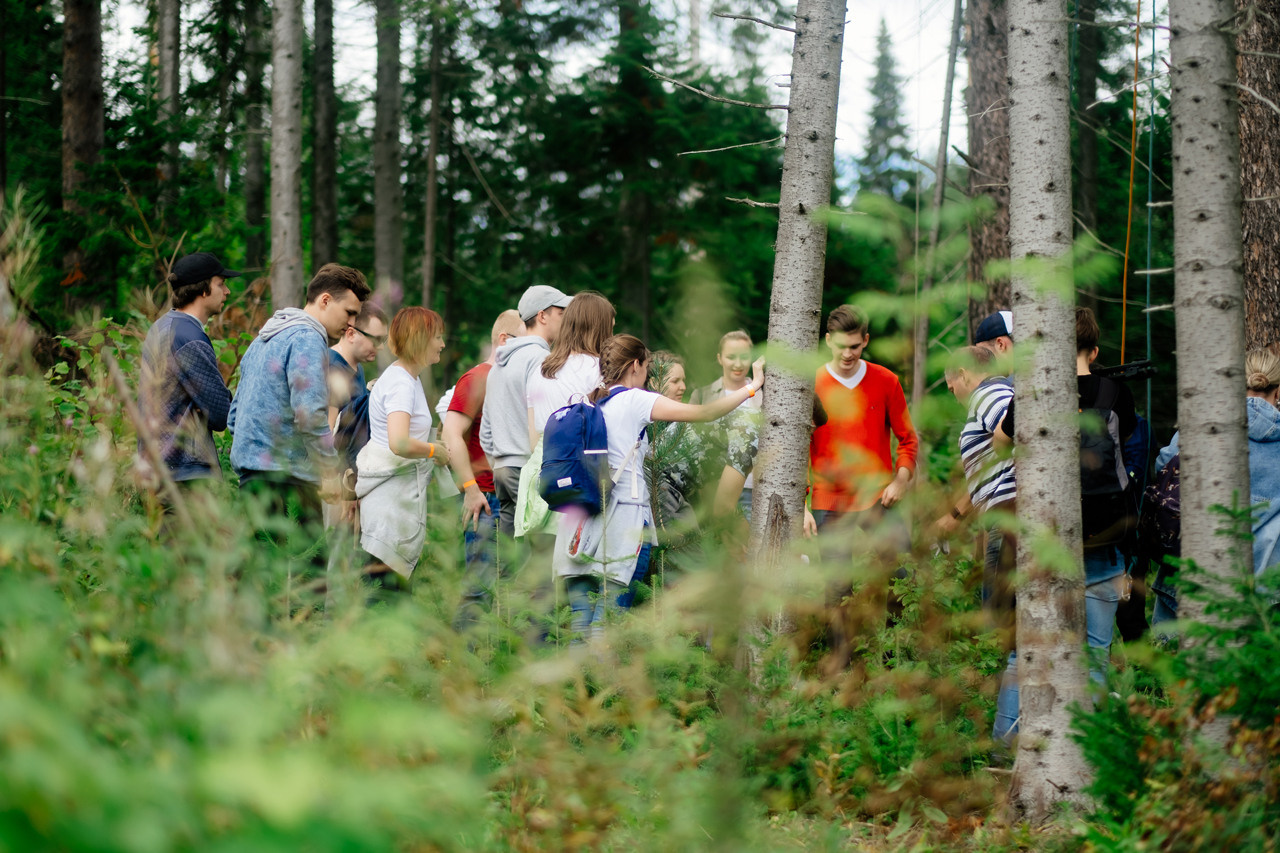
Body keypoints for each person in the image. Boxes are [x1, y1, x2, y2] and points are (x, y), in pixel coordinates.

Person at [555, 334, 765, 640]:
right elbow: (705, 413)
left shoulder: (591, 402)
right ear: (636, 365)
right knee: (607, 624)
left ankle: (574, 688)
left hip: (577, 530)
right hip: (620, 530)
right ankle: (603, 687)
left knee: (580, 626)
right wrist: (752, 387)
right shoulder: (632, 398)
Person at [995, 307, 1139, 688]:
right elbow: (1125, 447)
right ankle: (1089, 741)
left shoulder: (1033, 391)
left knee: (1027, 648)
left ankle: (1004, 741)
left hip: (1045, 533)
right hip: (1105, 533)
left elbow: (999, 444)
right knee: (1095, 650)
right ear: (1093, 352)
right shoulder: (1116, 393)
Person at [228, 264, 371, 582]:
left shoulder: (262, 340)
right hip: (290, 484)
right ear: (324, 300)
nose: (351, 323)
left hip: (252, 480)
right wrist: (329, 472)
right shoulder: (308, 339)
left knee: (255, 585)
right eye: (348, 312)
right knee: (309, 590)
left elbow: (235, 416)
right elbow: (310, 415)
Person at [1150, 347, 1280, 622]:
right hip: (1264, 586)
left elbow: (1165, 467)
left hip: (1194, 574)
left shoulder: (1203, 425)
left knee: (1180, 660)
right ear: (1278, 392)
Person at [935, 345, 1018, 746]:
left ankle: (998, 730)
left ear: (964, 374)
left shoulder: (990, 394)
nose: (953, 392)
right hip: (1000, 514)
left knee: (997, 624)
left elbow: (1014, 422)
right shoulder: (992, 396)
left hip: (1009, 517)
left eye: (951, 385)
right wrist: (956, 514)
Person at [354, 307, 451, 596]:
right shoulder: (400, 384)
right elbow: (399, 442)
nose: (442, 344)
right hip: (389, 508)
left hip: (394, 504)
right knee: (386, 600)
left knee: (389, 598)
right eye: (437, 337)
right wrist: (436, 450)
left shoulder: (407, 379)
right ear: (420, 340)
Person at [804, 305, 918, 537]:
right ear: (828, 340)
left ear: (865, 340)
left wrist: (900, 481)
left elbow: (908, 439)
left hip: (879, 497)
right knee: (837, 575)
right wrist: (801, 506)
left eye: (854, 346)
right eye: (840, 346)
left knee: (902, 570)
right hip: (829, 501)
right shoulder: (810, 384)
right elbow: (800, 448)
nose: (847, 354)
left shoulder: (887, 381)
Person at [447, 309, 526, 630]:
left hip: (510, 500)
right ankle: (457, 668)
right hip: (485, 501)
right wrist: (469, 489)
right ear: (504, 340)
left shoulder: (511, 382)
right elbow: (450, 435)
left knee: (508, 591)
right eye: (524, 341)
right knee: (478, 591)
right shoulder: (478, 378)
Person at [137, 251, 237, 489]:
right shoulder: (189, 337)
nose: (227, 292)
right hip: (184, 476)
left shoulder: (161, 328)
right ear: (203, 290)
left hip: (158, 469)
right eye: (221, 285)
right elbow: (221, 414)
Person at [479, 285, 572, 537]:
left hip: (502, 471)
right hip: (526, 471)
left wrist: (500, 461)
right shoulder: (541, 359)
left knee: (510, 560)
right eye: (561, 313)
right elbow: (548, 420)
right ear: (542, 316)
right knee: (538, 556)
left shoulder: (499, 364)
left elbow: (485, 432)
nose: (567, 320)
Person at [689, 330, 763, 517]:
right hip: (711, 491)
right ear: (720, 358)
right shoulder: (702, 396)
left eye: (744, 357)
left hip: (756, 491)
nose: (738, 364)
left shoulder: (768, 396)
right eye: (731, 357)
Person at [327, 301, 389, 430]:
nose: (381, 347)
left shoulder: (356, 367)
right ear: (351, 334)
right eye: (376, 340)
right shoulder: (332, 368)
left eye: (383, 340)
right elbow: (327, 433)